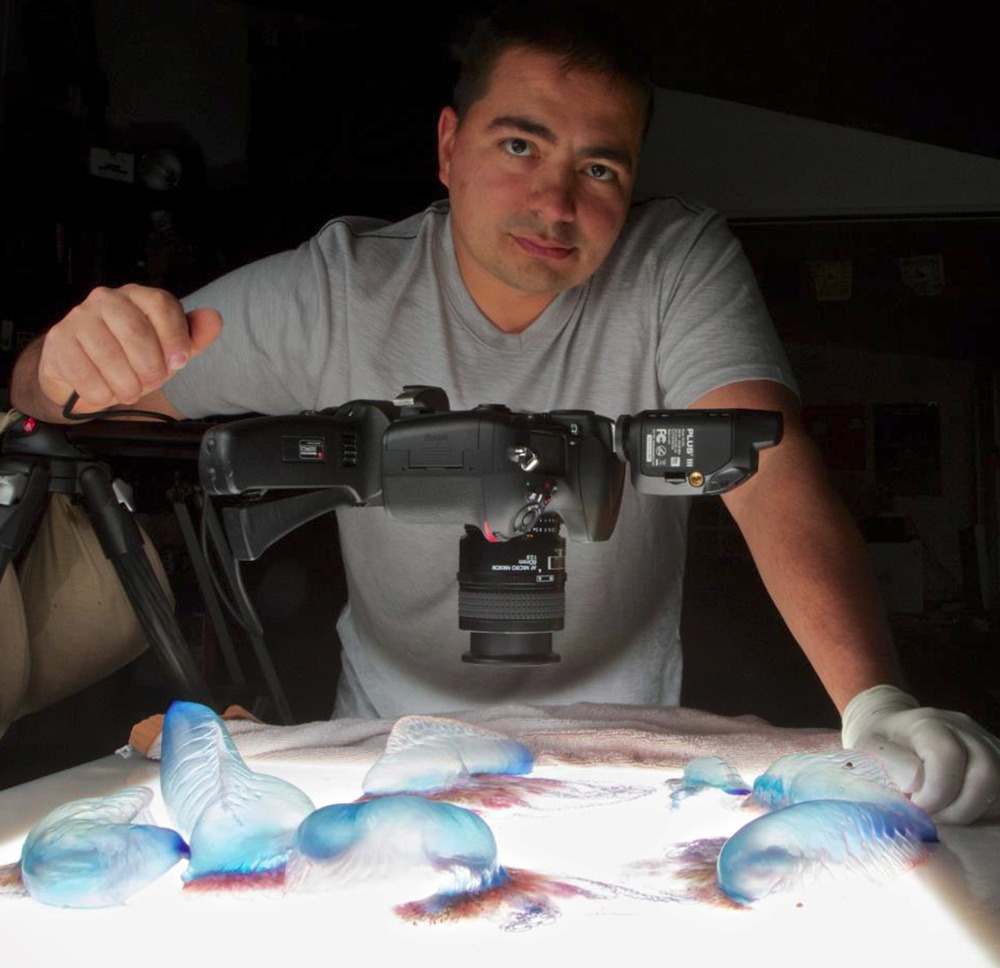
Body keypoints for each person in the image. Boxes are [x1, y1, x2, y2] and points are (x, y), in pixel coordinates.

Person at [9, 2, 999, 823]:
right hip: (385, 757)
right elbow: (61, 407)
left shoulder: (673, 262)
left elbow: (763, 463)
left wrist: (874, 701)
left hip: (626, 761)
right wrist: (57, 364)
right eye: (518, 144)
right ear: (447, 145)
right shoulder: (343, 288)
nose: (555, 201)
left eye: (599, 168)